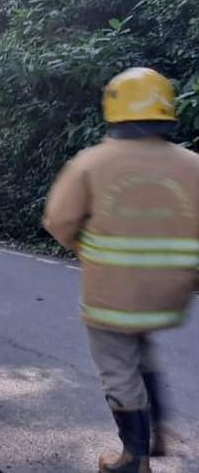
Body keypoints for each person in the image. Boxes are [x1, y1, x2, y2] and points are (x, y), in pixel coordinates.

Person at [43, 67, 199, 473]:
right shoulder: (193, 166)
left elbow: (59, 220)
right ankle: (156, 433)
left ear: (115, 109)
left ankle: (134, 459)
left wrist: (86, 248)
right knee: (141, 351)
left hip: (111, 295)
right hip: (170, 296)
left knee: (117, 368)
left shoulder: (91, 163)